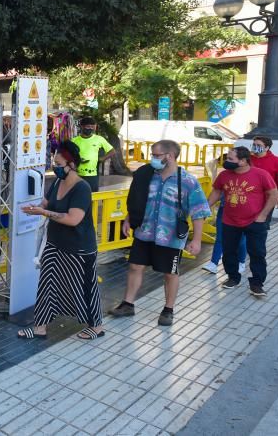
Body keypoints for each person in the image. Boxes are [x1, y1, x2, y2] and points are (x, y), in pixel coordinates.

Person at [110, 140, 210, 326]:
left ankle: (168, 309)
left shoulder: (187, 181)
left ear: (169, 156)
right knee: (134, 267)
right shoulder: (148, 176)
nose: (152, 159)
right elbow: (138, 200)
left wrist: (196, 240)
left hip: (170, 238)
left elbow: (199, 212)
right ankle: (127, 304)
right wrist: (129, 218)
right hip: (144, 232)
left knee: (170, 273)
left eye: (156, 155)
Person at [18, 141, 104, 340]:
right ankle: (39, 327)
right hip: (55, 244)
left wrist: (44, 212)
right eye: (53, 162)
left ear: (72, 164)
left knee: (85, 286)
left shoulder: (82, 188)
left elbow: (74, 219)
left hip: (79, 248)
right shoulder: (57, 182)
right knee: (46, 284)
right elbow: (47, 203)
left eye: (58, 163)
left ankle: (97, 326)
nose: (54, 167)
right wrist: (35, 208)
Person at [207, 147, 278, 297]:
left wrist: (263, 215)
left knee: (257, 253)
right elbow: (217, 192)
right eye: (227, 158)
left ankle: (257, 284)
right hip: (229, 220)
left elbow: (273, 194)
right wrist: (205, 208)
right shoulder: (224, 175)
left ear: (243, 161)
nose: (227, 162)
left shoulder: (260, 174)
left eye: (231, 159)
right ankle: (233, 277)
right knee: (229, 251)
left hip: (255, 221)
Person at [72, 116, 115, 192]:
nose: (90, 129)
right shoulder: (74, 140)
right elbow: (68, 155)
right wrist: (76, 159)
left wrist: (102, 159)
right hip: (76, 174)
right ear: (82, 127)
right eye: (88, 126)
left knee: (92, 196)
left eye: (92, 127)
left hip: (92, 175)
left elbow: (112, 151)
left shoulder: (99, 139)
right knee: (78, 194)